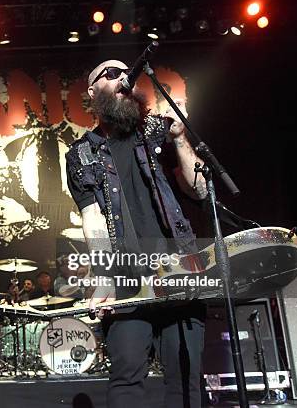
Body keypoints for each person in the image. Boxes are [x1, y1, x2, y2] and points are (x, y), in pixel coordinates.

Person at [65, 59, 207, 408]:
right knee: (127, 379)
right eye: (111, 74)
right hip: (128, 278)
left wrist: (181, 139)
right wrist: (102, 278)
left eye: (126, 73)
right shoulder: (81, 154)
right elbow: (93, 220)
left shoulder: (155, 131)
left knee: (186, 380)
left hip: (179, 271)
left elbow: (199, 190)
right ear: (92, 90)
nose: (122, 78)